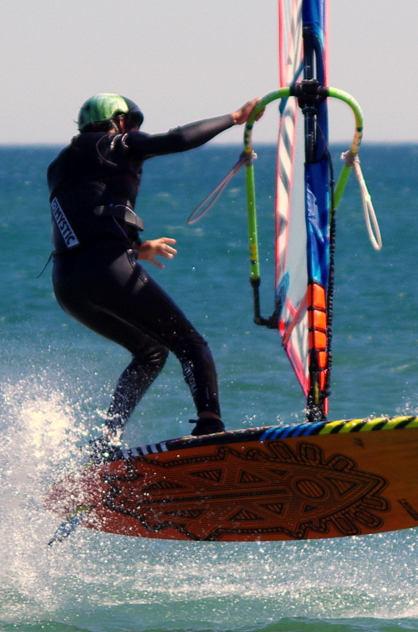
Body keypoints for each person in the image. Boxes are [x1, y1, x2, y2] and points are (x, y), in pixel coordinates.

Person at [47, 93, 262, 455]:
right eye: (130, 123)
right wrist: (235, 117)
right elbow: (178, 139)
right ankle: (210, 426)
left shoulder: (60, 164)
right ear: (117, 120)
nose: (133, 132)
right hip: (106, 269)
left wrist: (136, 249)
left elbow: (85, 213)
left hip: (67, 283)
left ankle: (107, 440)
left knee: (151, 352)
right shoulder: (114, 143)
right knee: (191, 344)